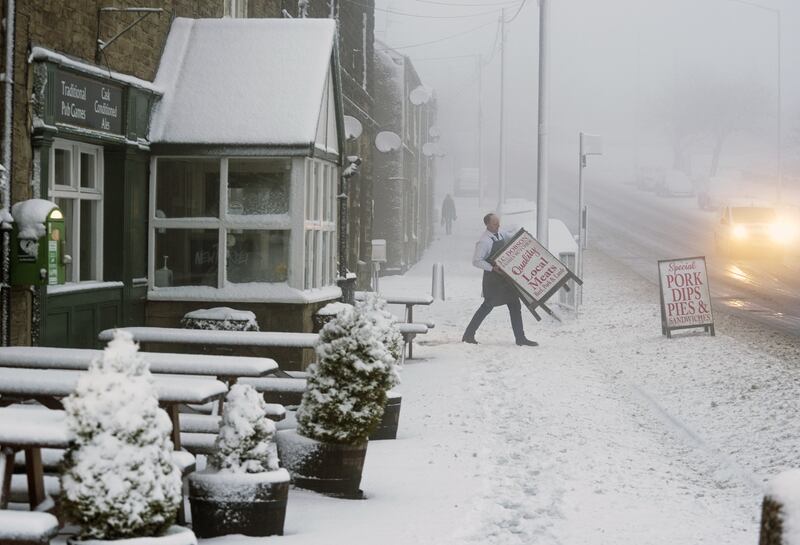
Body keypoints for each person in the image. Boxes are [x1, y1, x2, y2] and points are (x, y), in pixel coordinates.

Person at [462, 213, 538, 346]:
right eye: (495, 224)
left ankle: (521, 338)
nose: (498, 225)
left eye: (498, 223)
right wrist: (492, 268)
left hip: (506, 280)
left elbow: (513, 237)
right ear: (488, 224)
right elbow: (476, 261)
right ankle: (468, 335)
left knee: (515, 305)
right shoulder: (484, 241)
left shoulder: (501, 234)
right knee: (486, 307)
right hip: (493, 281)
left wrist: (524, 237)